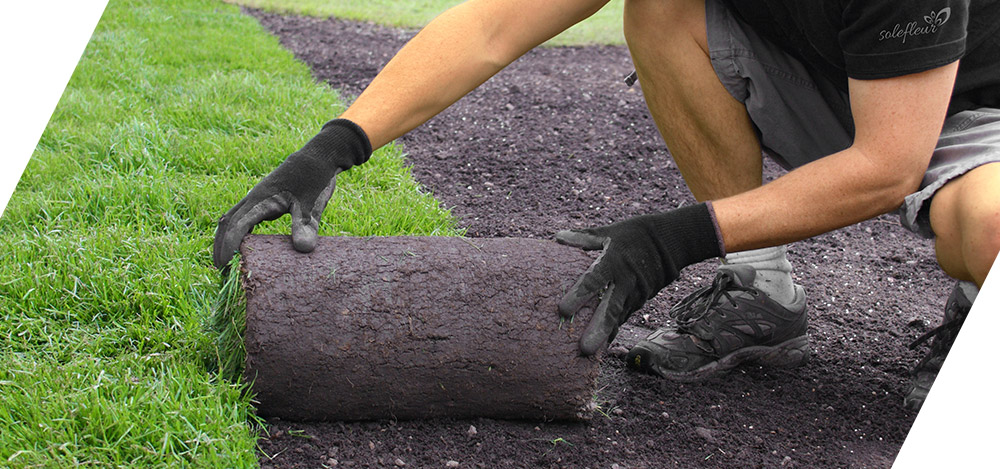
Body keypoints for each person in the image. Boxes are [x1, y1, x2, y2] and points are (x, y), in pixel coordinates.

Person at [213, 0, 1000, 411]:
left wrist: (674, 238)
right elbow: (494, 24)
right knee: (660, 9)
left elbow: (887, 165)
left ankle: (973, 303)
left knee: (983, 230)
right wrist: (336, 143)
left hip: (974, 118)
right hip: (834, 81)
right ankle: (762, 290)